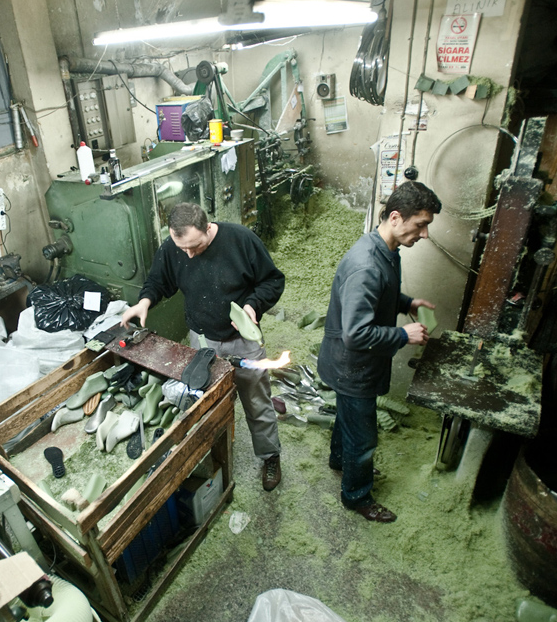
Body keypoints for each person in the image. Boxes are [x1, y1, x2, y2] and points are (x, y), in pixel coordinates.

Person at [121, 202, 286, 491]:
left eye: (195, 247)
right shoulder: (175, 246)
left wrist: (253, 305)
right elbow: (159, 279)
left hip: (241, 339)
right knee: (207, 402)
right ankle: (215, 450)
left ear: (208, 228)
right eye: (181, 247)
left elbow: (273, 280)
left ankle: (270, 455)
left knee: (257, 400)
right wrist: (145, 301)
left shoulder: (241, 240)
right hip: (201, 340)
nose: (188, 254)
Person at [317, 181, 441, 522]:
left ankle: (340, 462)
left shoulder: (384, 249)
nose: (425, 234)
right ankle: (356, 496)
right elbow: (356, 334)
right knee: (365, 437)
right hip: (352, 365)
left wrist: (405, 303)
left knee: (349, 418)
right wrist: (403, 334)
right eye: (421, 225)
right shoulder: (367, 265)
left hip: (349, 363)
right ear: (397, 217)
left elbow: (377, 298)